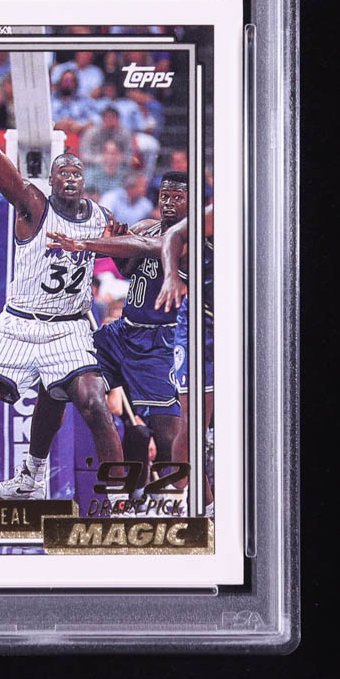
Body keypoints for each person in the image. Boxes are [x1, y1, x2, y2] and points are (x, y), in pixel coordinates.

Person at [0, 37, 123, 501]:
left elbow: (128, 254)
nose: (70, 176)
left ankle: (117, 502)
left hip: (69, 329)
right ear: (52, 180)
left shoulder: (101, 217)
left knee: (94, 405)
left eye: (77, 171)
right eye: (62, 172)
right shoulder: (32, 204)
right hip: (19, 325)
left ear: (85, 179)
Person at [46, 173, 189, 513]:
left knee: (167, 434)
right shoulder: (146, 226)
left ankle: (176, 501)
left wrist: (87, 243)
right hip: (123, 331)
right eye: (165, 196)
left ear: (192, 203)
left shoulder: (192, 239)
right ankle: (41, 466)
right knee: (63, 366)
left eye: (177, 197)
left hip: (160, 340)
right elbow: (127, 267)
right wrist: (116, 237)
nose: (169, 202)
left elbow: (148, 248)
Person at [155, 204, 215, 516]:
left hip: (243, 325)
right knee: (193, 420)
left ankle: (209, 502)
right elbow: (173, 236)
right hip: (200, 325)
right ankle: (180, 499)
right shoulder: (219, 213)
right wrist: (170, 277)